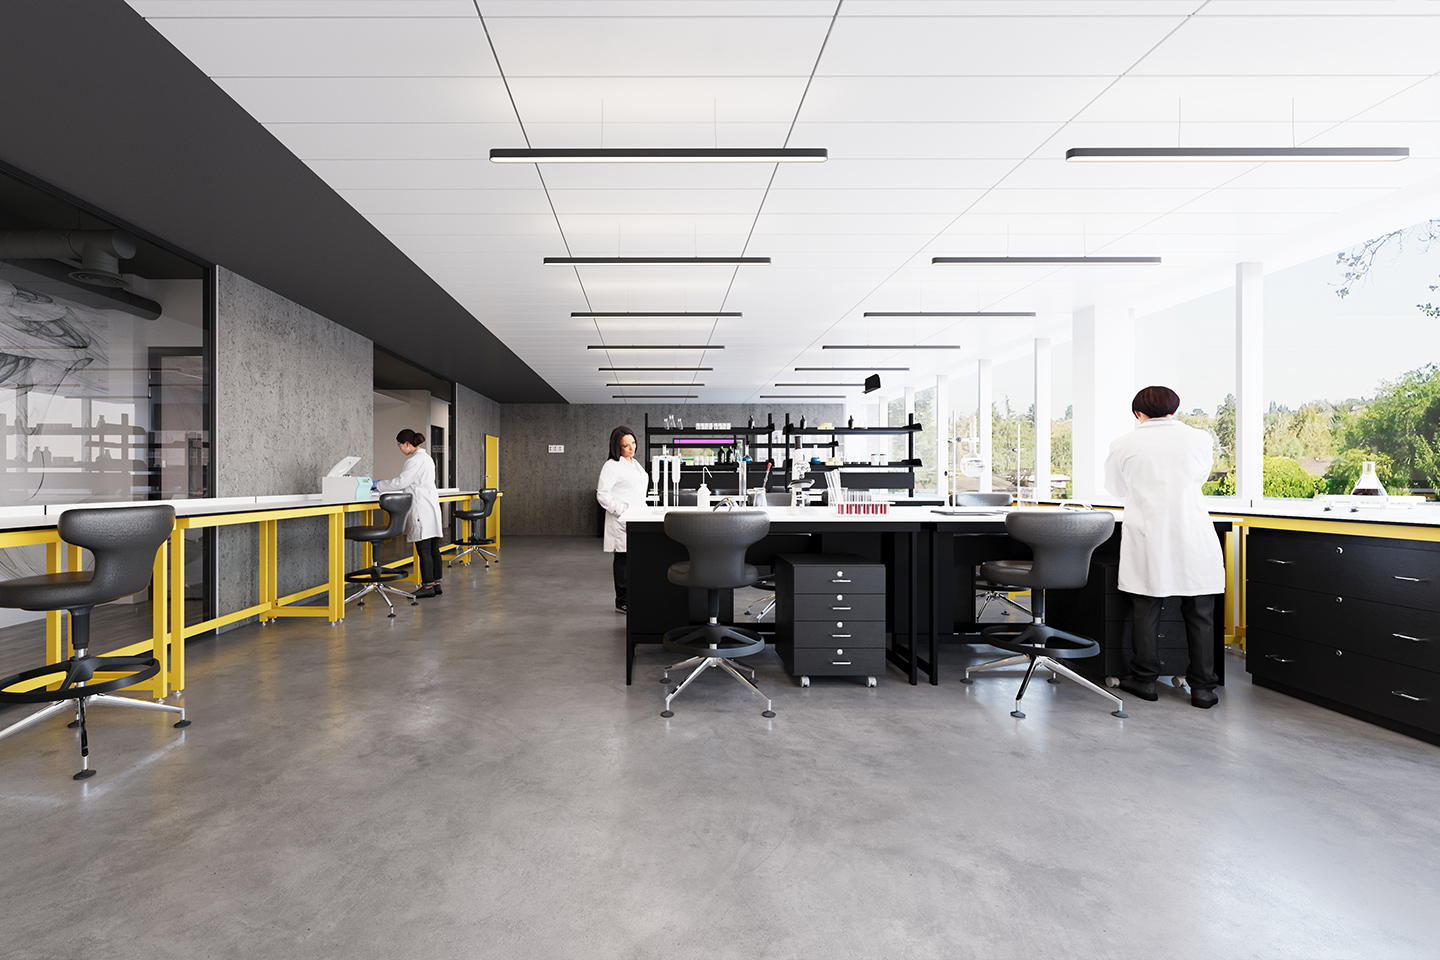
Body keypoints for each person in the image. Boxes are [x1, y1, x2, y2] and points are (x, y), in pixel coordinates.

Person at [1104, 385, 1226, 708]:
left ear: (1137, 414)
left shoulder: (1124, 444)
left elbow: (1116, 488)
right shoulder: (1200, 439)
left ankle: (1144, 680)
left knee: (1146, 609)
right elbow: (1198, 477)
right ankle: (1203, 689)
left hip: (1148, 533)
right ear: (1175, 411)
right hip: (1193, 531)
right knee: (1200, 612)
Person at [376, 428, 445, 599]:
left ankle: (427, 587)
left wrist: (378, 485)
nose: (400, 449)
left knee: (424, 550)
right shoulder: (427, 458)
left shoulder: (415, 460)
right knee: (434, 549)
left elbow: (401, 482)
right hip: (431, 506)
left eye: (400, 445)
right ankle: (436, 584)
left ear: (407, 444)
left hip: (421, 507)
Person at [596, 425, 647, 613]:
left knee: (635, 561)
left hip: (638, 517)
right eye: (626, 446)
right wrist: (621, 511)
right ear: (617, 447)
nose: (631, 448)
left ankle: (633, 597)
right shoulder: (611, 466)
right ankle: (622, 602)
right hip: (622, 520)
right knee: (623, 562)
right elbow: (602, 494)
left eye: (633, 443)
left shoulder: (634, 463)